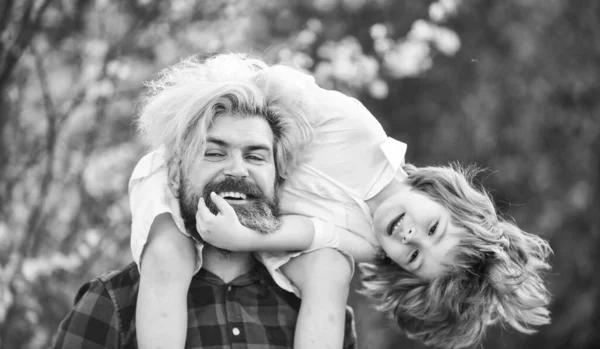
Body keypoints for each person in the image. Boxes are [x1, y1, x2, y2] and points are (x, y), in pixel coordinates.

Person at [132, 54, 553, 349]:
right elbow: (273, 86)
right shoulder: (359, 134)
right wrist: (265, 138)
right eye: (432, 229)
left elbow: (313, 232)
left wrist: (242, 238)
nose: (409, 236)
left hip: (255, 220)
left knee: (331, 269)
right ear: (442, 197)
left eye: (412, 255)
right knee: (170, 253)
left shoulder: (368, 244)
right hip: (194, 171)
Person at [51, 60, 358, 349]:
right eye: (214, 153)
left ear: (277, 180)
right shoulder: (114, 302)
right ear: (174, 175)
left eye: (255, 156)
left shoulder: (315, 311)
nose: (238, 170)